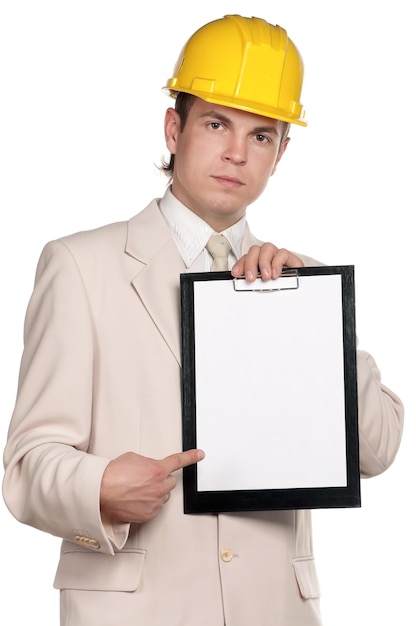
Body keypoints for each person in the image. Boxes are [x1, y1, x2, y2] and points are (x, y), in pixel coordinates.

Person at [2, 14, 404, 626]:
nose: (237, 153)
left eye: (262, 136)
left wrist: (311, 314)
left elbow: (376, 448)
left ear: (282, 153)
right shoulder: (79, 267)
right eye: (216, 124)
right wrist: (100, 484)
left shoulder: (307, 281)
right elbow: (29, 465)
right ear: (174, 126)